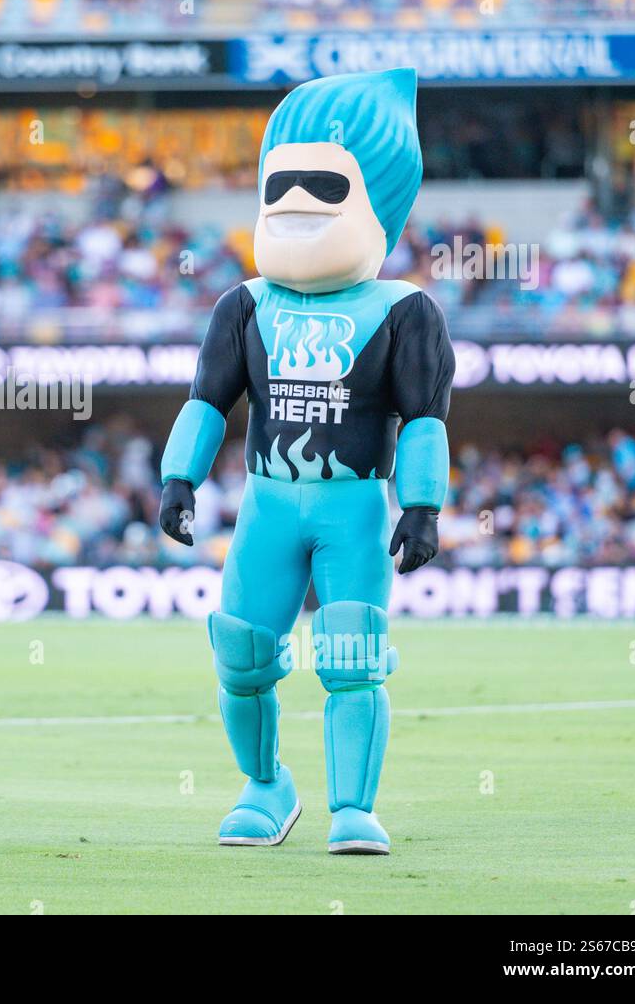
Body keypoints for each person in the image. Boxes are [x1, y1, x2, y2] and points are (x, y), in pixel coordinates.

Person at [158, 69, 453, 855]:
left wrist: (423, 504)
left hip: (353, 503)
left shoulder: (403, 311)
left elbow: (425, 416)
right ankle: (266, 786)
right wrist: (177, 477)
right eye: (280, 182)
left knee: (354, 655)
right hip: (267, 504)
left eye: (321, 182)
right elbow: (206, 401)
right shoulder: (244, 303)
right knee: (244, 653)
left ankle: (352, 807)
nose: (295, 200)